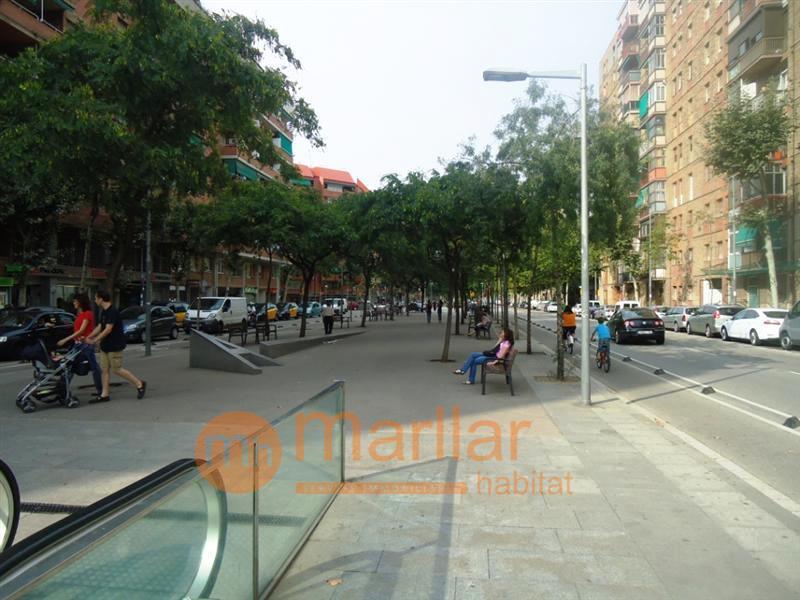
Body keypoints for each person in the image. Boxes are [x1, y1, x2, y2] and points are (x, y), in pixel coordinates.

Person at [86, 290, 146, 403]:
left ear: (101, 299)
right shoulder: (103, 311)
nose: (95, 300)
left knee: (117, 369)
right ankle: (104, 395)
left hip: (115, 344)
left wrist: (95, 340)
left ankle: (139, 383)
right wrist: (89, 336)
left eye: (96, 298)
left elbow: (108, 329)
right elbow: (100, 326)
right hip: (105, 345)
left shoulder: (112, 311)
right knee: (104, 370)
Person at [57, 293, 103, 399]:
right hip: (77, 344)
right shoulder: (80, 314)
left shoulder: (87, 314)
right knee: (70, 365)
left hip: (85, 345)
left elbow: (81, 330)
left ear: (80, 302)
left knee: (94, 368)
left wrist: (65, 339)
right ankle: (63, 389)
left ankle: (101, 390)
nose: (73, 303)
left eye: (75, 301)